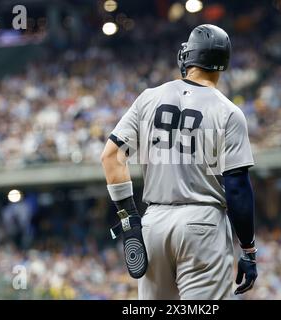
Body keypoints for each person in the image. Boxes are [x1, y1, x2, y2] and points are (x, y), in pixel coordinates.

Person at [101, 24, 257, 300]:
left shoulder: (148, 98)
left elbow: (111, 157)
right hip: (202, 224)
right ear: (223, 64)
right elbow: (237, 188)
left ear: (188, 56)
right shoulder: (229, 112)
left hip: (153, 223)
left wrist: (130, 221)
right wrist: (248, 249)